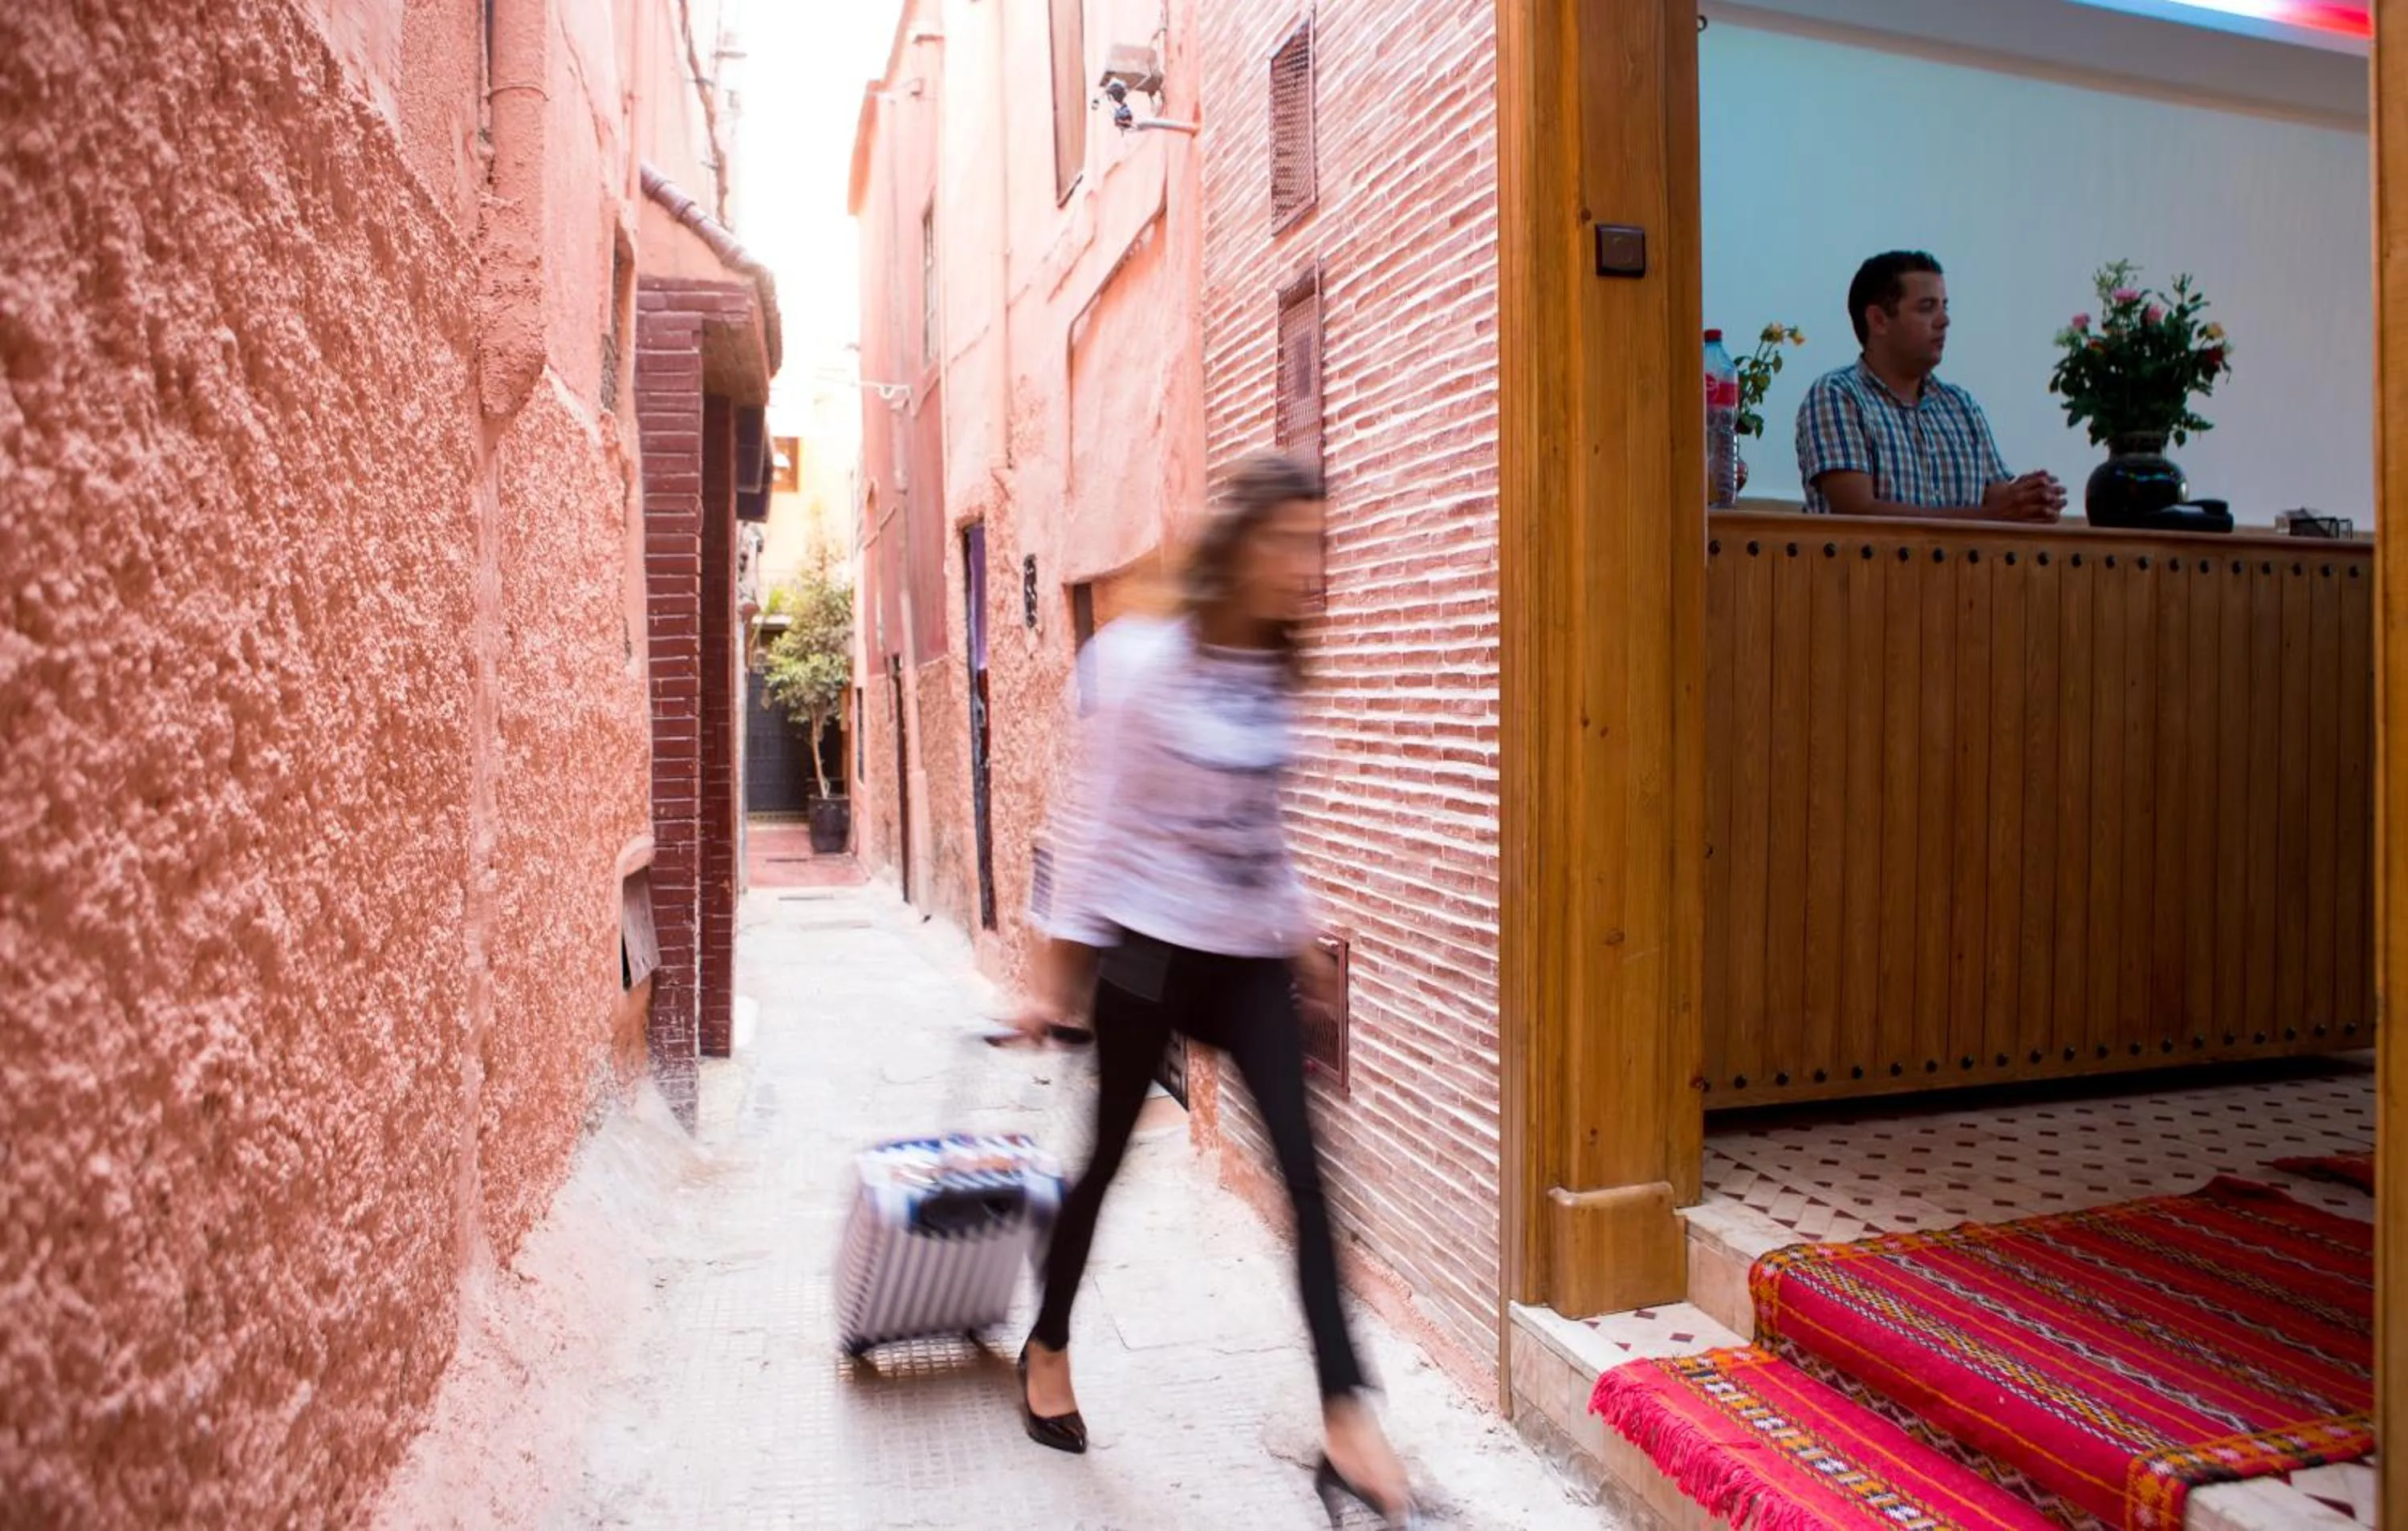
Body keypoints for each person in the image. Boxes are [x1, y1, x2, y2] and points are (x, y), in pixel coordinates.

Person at [1004, 451, 1421, 1528]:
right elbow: (1092, 832)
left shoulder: (1274, 672)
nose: (1304, 566)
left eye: (1316, 545)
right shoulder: (1142, 665)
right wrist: (1052, 983)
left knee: (1312, 1181)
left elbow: (1261, 834)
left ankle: (1347, 1419)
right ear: (1238, 547)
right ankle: (1046, 1346)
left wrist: (1302, 936)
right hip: (1148, 957)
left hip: (1244, 964)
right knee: (1104, 1164)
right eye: (1288, 543)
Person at [1796, 250, 2065, 522]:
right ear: (1878, 320)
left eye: (1944, 307)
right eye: (1927, 307)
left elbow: (2000, 499)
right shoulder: (1837, 394)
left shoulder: (1961, 405)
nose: (1944, 321)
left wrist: (2031, 501)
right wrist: (1992, 515)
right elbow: (1857, 512)